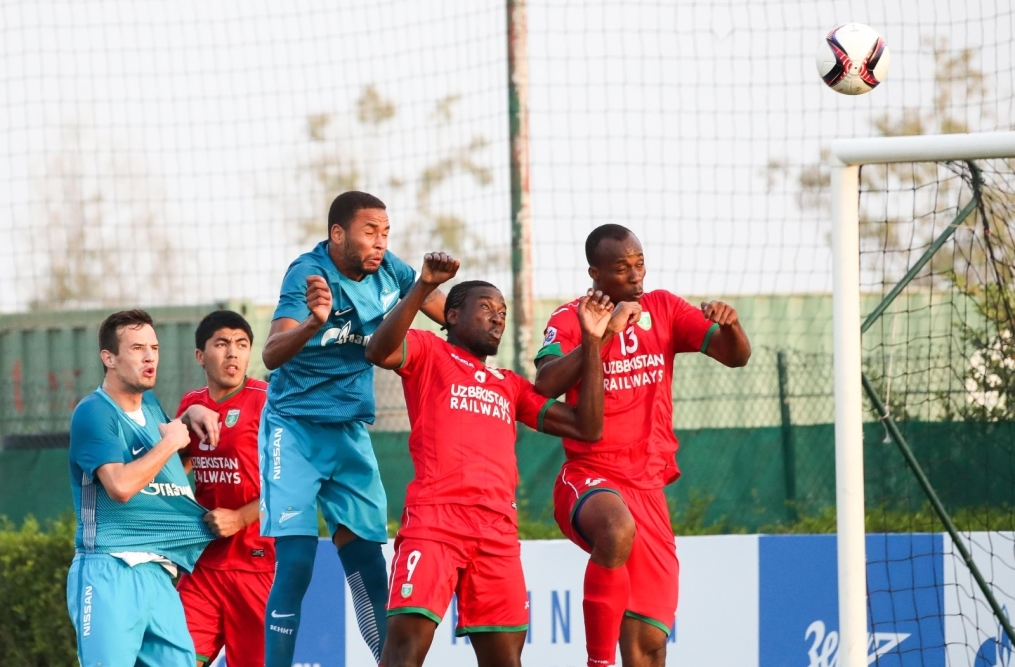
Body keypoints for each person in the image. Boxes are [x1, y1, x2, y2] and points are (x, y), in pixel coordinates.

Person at [363, 252, 614, 667]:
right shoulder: (429, 352)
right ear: (454, 316)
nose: (498, 318)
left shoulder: (509, 385)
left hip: (497, 531)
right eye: (486, 309)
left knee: (505, 661)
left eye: (502, 312)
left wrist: (592, 343)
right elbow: (378, 350)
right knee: (404, 652)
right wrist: (423, 287)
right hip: (435, 522)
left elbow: (587, 427)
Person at [533, 224, 752, 667]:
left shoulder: (665, 308)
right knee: (615, 529)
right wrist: (601, 334)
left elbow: (736, 356)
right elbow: (545, 385)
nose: (635, 275)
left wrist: (732, 325)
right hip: (590, 475)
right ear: (595, 273)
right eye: (621, 267)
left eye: (639, 264)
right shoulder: (569, 317)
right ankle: (597, 663)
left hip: (648, 489)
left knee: (649, 644)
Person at [260, 191, 447, 666]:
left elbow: (449, 314)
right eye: (370, 232)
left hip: (348, 431)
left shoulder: (392, 272)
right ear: (338, 234)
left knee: (367, 567)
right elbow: (271, 353)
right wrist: (311, 324)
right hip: (295, 429)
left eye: (386, 232)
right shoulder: (308, 273)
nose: (380, 242)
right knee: (298, 563)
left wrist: (475, 311)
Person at [66, 309, 221, 667]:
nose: (150, 356)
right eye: (137, 348)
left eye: (154, 347)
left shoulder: (150, 406)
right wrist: (170, 441)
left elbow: (163, 464)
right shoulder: (93, 412)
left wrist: (188, 415)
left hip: (159, 574)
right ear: (109, 358)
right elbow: (120, 485)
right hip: (109, 568)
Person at [175, 310, 272, 666]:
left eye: (242, 344)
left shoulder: (268, 401)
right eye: (222, 344)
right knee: (173, 659)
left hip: (258, 564)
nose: (233, 353)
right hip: (203, 566)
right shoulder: (191, 404)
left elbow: (300, 486)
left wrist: (240, 517)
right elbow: (176, 466)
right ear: (200, 355)